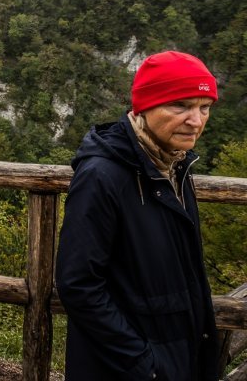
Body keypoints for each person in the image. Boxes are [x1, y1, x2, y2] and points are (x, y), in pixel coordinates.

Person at [55, 51, 221, 380]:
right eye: (181, 106)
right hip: (129, 367)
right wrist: (144, 364)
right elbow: (78, 284)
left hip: (176, 357)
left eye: (204, 108)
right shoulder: (102, 175)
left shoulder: (175, 164)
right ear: (144, 106)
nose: (196, 121)